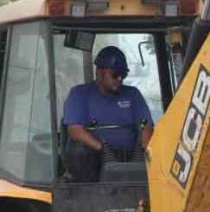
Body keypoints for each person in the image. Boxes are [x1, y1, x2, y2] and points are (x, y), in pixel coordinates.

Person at [62, 46, 154, 182]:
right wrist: (103, 149)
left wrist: (145, 149)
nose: (120, 79)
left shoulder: (132, 94)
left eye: (123, 75)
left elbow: (146, 126)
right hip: (95, 157)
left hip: (130, 155)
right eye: (115, 75)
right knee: (79, 150)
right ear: (99, 73)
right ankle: (87, 191)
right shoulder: (80, 94)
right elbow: (75, 130)